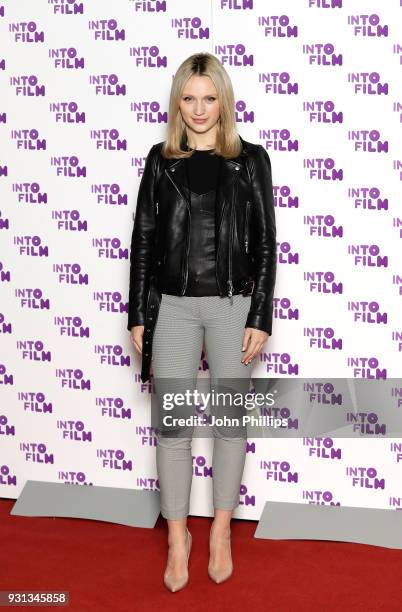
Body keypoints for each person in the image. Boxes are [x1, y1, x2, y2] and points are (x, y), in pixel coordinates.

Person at [127, 52, 276, 592]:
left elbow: (265, 244)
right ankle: (176, 537)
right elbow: (144, 239)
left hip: (234, 305)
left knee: (230, 424)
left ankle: (220, 530)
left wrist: (260, 312)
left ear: (224, 100)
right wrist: (140, 313)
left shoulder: (251, 160)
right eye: (188, 98)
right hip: (173, 306)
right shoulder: (159, 160)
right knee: (172, 428)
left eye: (208, 97)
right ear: (177, 103)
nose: (198, 108)